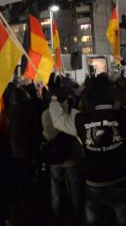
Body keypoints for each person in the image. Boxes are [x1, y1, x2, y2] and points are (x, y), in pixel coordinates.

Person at [49, 49, 126, 226]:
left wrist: (53, 99)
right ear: (112, 96)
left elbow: (58, 120)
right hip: (120, 183)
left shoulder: (80, 120)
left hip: (93, 186)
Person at [42, 82, 84, 221]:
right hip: (72, 157)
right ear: (66, 99)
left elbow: (46, 133)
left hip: (54, 157)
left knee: (55, 186)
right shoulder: (72, 114)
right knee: (75, 187)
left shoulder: (45, 114)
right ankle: (77, 212)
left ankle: (57, 211)